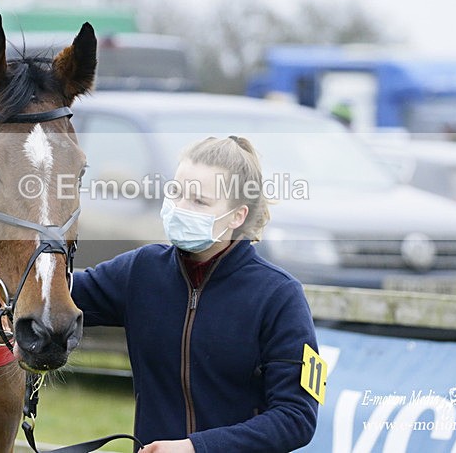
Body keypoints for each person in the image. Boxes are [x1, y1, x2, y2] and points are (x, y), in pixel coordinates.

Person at [72, 136, 319, 452]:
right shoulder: (140, 271)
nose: (180, 207)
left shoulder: (280, 297)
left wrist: (196, 448)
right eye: (176, 192)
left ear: (237, 216)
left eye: (199, 201)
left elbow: (297, 418)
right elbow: (52, 296)